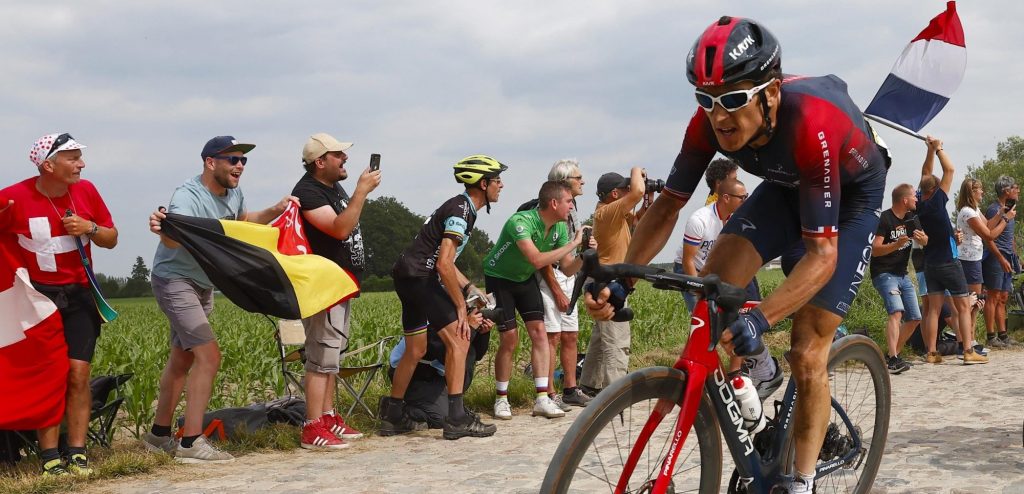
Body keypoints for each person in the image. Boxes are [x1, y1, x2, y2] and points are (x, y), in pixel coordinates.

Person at [586, 17, 891, 493]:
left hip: (850, 198)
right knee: (712, 287)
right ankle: (748, 390)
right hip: (787, 186)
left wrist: (763, 318)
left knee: (807, 347)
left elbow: (823, 255)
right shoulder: (708, 124)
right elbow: (668, 204)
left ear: (770, 95)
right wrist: (621, 278)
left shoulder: (811, 124)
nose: (719, 115)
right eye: (705, 100)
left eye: (732, 99)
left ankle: (803, 479)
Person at [144, 136, 296, 462]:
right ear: (210, 162)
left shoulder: (233, 192)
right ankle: (190, 443)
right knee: (209, 356)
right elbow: (172, 240)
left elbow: (241, 223)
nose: (239, 166)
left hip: (203, 285)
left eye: (243, 160)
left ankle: (157, 437)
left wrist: (274, 210)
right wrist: (163, 228)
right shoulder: (188, 196)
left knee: (182, 359)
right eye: (232, 159)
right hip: (175, 280)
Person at [0, 134, 117, 476]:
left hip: (79, 295)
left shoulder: (87, 191)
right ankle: (49, 454)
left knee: (79, 374)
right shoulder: (13, 197)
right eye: (74, 158)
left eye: (81, 157)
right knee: (50, 377)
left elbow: (111, 238)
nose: (82, 164)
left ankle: (78, 451)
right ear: (48, 165)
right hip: (38, 301)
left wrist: (90, 227)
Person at [383, 154, 502, 439]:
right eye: (497, 180)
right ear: (483, 183)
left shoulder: (459, 207)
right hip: (423, 278)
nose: (501, 185)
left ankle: (393, 415)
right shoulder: (462, 210)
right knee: (459, 341)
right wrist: (461, 308)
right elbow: (443, 264)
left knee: (416, 349)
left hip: (407, 276)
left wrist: (470, 289)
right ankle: (457, 419)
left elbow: (447, 262)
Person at [291, 133, 379, 449]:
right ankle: (312, 427)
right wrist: (361, 191)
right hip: (322, 287)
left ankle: (328, 417)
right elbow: (340, 228)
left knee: (333, 357)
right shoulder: (308, 192)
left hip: (341, 284)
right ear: (321, 161)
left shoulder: (331, 187)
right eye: (339, 155)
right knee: (320, 356)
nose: (345, 160)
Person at [485, 181, 592, 420]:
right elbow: (536, 260)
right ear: (554, 203)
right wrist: (574, 244)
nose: (572, 206)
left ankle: (542, 398)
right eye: (568, 201)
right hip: (500, 278)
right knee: (510, 338)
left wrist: (584, 254)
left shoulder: (559, 228)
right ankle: (501, 399)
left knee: (540, 334)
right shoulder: (521, 221)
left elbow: (566, 269)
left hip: (523, 279)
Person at [916, 136, 986, 365]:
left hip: (930, 263)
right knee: (963, 306)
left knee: (934, 310)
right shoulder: (937, 201)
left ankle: (932, 353)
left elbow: (926, 173)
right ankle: (968, 350)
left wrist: (928, 150)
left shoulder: (920, 202)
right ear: (936, 190)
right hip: (948, 260)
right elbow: (950, 169)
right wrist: (939, 149)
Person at [578, 169, 647, 397]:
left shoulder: (612, 214)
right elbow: (637, 191)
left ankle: (589, 385)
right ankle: (617, 394)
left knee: (601, 339)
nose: (630, 190)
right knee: (616, 340)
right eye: (625, 188)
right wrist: (637, 172)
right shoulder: (607, 213)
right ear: (615, 194)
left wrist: (649, 197)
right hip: (607, 283)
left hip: (605, 280)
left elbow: (639, 220)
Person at [535, 159, 591, 409]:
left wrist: (584, 254)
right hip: (551, 275)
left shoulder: (573, 207)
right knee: (552, 336)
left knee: (570, 335)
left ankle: (570, 388)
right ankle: (548, 392)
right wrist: (556, 289)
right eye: (578, 178)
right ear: (563, 182)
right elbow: (543, 257)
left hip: (567, 274)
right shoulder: (547, 209)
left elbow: (568, 253)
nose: (583, 182)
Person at [870, 184, 928, 374]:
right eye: (913, 196)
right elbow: (875, 250)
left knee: (915, 317)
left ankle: (892, 356)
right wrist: (896, 244)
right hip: (884, 274)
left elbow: (925, 241)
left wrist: (922, 239)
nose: (916, 199)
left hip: (902, 274)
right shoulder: (885, 219)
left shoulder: (912, 218)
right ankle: (894, 359)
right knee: (896, 312)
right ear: (904, 200)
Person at [956, 177, 1010, 353]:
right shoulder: (968, 212)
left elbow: (987, 224)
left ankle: (970, 340)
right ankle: (969, 342)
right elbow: (989, 234)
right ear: (972, 192)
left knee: (975, 301)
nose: (982, 192)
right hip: (969, 260)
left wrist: (1000, 214)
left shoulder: (974, 209)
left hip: (974, 259)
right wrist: (1006, 220)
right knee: (973, 301)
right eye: (979, 190)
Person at [982, 176, 1020, 348]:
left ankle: (1002, 335)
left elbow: (1009, 236)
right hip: (996, 258)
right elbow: (988, 237)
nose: (1018, 190)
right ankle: (991, 337)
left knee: (1003, 297)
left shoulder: (1009, 210)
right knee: (993, 296)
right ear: (1006, 191)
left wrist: (1015, 256)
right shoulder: (994, 210)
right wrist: (1000, 258)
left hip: (1007, 257)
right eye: (1015, 188)